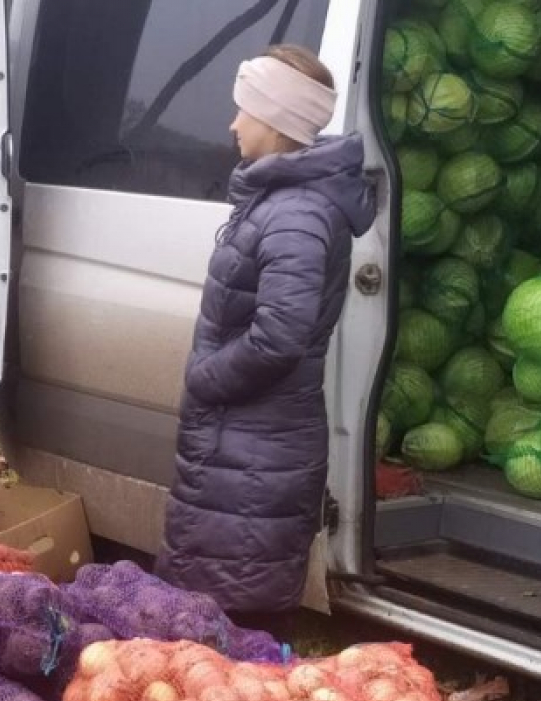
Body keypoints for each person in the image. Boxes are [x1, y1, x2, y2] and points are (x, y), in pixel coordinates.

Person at [155, 45, 377, 637]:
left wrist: (206, 378)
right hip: (245, 449)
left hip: (257, 451)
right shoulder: (282, 203)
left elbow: (279, 337)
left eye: (243, 111)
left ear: (276, 120)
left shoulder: (296, 215)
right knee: (219, 617)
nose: (232, 124)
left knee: (237, 622)